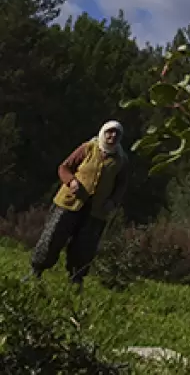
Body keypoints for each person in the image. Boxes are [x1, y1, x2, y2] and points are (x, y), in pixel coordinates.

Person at [29, 120, 129, 285]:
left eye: (117, 134)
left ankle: (76, 279)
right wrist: (71, 181)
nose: (112, 136)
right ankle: (36, 270)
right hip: (69, 203)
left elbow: (121, 185)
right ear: (103, 133)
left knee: (85, 246)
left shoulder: (121, 160)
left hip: (96, 210)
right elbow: (64, 167)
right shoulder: (88, 148)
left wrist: (113, 201)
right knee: (53, 237)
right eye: (109, 132)